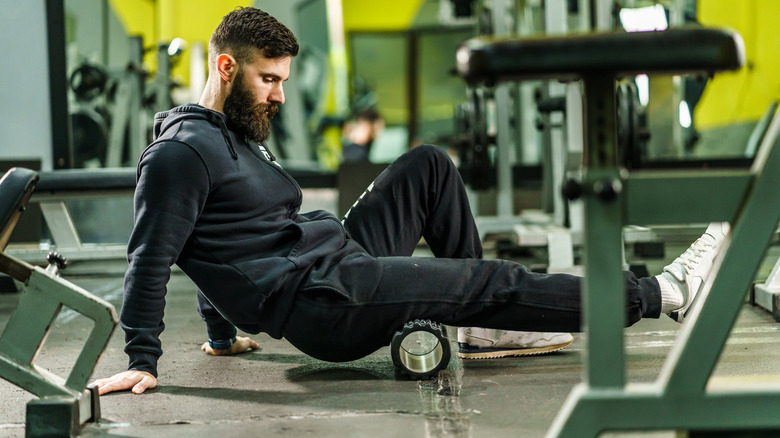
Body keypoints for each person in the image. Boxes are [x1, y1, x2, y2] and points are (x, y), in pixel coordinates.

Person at [93, 7, 727, 395]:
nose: (279, 96)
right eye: (269, 80)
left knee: (428, 165)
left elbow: (223, 235)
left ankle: (479, 320)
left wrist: (222, 335)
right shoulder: (181, 154)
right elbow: (154, 256)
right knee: (487, 279)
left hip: (334, 255)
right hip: (324, 304)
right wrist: (141, 358)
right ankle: (661, 294)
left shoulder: (235, 134)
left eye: (283, 81)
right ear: (226, 68)